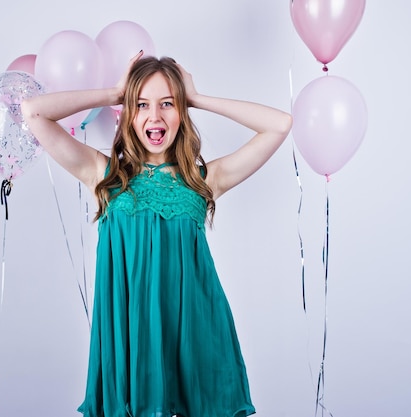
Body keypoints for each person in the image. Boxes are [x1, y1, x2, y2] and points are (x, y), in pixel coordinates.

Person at [21, 51, 292, 417]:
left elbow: (279, 124)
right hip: (129, 344)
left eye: (168, 104)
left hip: (195, 338)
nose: (155, 116)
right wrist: (116, 91)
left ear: (181, 112)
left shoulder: (203, 181)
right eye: (142, 104)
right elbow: (33, 113)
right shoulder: (104, 175)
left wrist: (196, 97)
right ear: (129, 113)